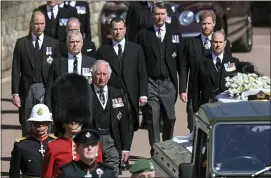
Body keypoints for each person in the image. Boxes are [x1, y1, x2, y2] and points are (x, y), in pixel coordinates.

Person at [136, 2, 181, 157]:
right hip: (150, 82)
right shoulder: (143, 35)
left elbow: (181, 62)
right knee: (153, 116)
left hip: (168, 83)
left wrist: (182, 88)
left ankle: (167, 146)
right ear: (152, 15)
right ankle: (156, 150)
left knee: (170, 117)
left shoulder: (175, 34)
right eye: (156, 14)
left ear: (167, 15)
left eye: (162, 14)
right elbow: (139, 62)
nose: (159, 17)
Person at [179, 10, 232, 140]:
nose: (206, 26)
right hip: (195, 90)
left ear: (214, 24)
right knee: (194, 123)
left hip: (217, 91)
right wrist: (182, 89)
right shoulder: (190, 43)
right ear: (199, 24)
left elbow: (228, 67)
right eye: (203, 23)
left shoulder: (223, 43)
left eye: (209, 23)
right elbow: (184, 66)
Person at [96, 17, 148, 148]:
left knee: (129, 124)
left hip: (130, 94)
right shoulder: (103, 51)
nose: (118, 32)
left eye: (120, 29)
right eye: (115, 29)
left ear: (125, 30)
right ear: (110, 30)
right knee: (114, 123)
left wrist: (143, 94)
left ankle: (126, 151)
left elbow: (142, 73)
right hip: (112, 94)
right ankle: (116, 150)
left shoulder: (136, 49)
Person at [42, 73, 103, 178]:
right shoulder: (53, 148)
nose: (74, 122)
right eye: (70, 118)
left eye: (78, 118)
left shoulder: (94, 145)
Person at [11, 10, 61, 136]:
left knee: (45, 122)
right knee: (27, 122)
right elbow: (16, 69)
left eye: (42, 23)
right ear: (31, 24)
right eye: (37, 23)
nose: (40, 26)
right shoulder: (21, 43)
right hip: (27, 89)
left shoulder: (53, 43)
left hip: (45, 88)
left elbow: (57, 71)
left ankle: (45, 151)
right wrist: (15, 93)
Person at [90, 60, 132, 176]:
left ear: (109, 76)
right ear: (93, 75)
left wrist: (126, 148)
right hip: (93, 141)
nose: (102, 78)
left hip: (112, 140)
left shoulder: (117, 94)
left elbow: (124, 123)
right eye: (99, 74)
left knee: (112, 172)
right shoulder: (86, 94)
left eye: (104, 74)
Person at [45, 30, 96, 111]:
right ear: (67, 43)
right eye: (72, 42)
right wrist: (48, 110)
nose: (75, 44)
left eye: (77, 42)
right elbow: (49, 88)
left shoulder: (92, 63)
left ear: (82, 43)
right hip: (62, 108)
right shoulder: (57, 63)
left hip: (85, 108)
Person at [9, 104, 55, 177]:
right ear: (31, 123)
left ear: (49, 123)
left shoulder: (56, 143)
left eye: (44, 122)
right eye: (37, 122)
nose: (40, 126)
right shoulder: (21, 145)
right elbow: (14, 173)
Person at [198, 31, 240, 107]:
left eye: (220, 42)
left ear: (225, 44)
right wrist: (195, 108)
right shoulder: (202, 62)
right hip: (208, 105)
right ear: (211, 42)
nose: (218, 45)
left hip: (228, 105)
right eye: (216, 42)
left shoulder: (233, 62)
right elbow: (195, 87)